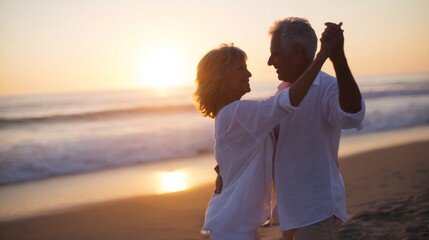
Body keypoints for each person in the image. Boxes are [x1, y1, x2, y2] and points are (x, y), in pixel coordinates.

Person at [193, 40, 329, 240]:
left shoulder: (229, 116)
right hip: (233, 226)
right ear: (220, 78)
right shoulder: (237, 113)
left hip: (233, 223)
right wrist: (320, 58)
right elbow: (287, 102)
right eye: (241, 68)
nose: (248, 74)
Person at [267, 17, 365, 240]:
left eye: (276, 53)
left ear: (296, 51)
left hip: (316, 209)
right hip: (290, 210)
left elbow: (352, 117)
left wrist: (338, 58)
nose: (270, 61)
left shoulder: (327, 87)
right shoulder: (282, 93)